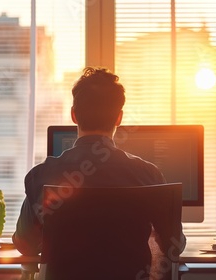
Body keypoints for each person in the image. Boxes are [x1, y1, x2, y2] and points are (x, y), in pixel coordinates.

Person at [12, 66, 186, 278]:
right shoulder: (149, 176)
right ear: (119, 118)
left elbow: (25, 244)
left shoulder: (42, 175)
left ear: (74, 115)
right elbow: (176, 246)